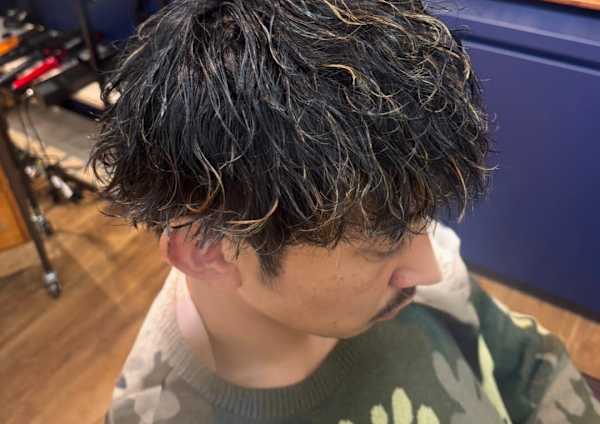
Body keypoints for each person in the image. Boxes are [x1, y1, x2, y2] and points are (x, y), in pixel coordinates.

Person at [90, 0, 600, 422]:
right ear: (209, 250)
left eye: (419, 220)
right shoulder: (160, 411)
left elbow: (531, 369)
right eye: (382, 242)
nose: (432, 268)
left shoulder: (394, 241)